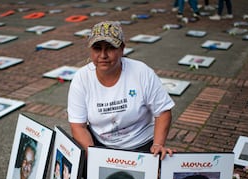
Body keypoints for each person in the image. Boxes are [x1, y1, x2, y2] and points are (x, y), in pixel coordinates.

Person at [67, 21, 175, 161]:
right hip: (101, 145)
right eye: (97, 48)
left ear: (122, 49)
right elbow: (78, 126)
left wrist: (158, 144)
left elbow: (163, 111)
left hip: (141, 144)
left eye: (110, 48)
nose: (103, 55)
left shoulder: (142, 72)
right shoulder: (81, 78)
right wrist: (93, 159)